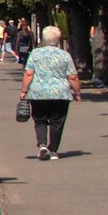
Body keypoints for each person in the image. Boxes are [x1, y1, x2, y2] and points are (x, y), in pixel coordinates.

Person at [21, 24, 81, 160]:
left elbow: (29, 74)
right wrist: (77, 93)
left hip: (38, 93)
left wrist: (24, 90)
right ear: (58, 40)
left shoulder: (35, 54)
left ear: (43, 39)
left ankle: (42, 144)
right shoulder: (65, 55)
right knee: (57, 122)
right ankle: (53, 150)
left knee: (40, 119)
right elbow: (73, 77)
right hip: (60, 93)